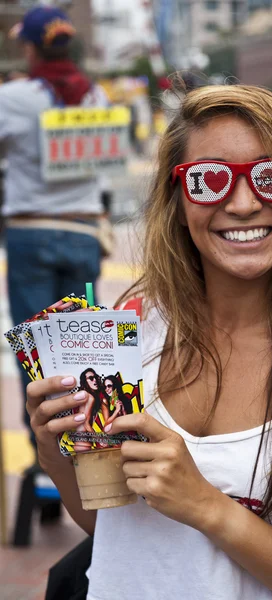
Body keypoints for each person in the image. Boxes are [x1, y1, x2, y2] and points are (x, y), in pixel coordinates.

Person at [27, 84, 272, 600]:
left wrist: (206, 506)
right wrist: (55, 452)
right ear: (179, 203)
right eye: (208, 180)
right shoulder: (131, 334)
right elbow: (116, 532)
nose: (243, 204)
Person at [1, 6, 109, 446]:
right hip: (85, 231)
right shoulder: (96, 96)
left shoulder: (15, 97)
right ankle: (88, 446)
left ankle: (46, 461)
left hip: (31, 233)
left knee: (36, 358)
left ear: (30, 47)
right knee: (83, 351)